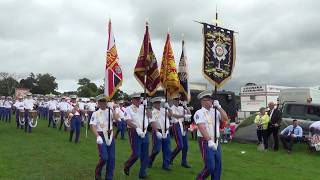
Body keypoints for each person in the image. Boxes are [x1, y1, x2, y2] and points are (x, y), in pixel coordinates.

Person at [194, 90, 228, 180]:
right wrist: (209, 140)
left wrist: (219, 107)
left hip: (216, 140)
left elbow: (225, 118)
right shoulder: (199, 113)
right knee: (210, 167)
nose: (210, 101)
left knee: (218, 166)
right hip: (205, 141)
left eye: (211, 99)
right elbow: (201, 127)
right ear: (202, 101)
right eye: (208, 99)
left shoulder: (215, 111)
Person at [90, 95, 119, 180]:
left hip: (110, 136)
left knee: (111, 158)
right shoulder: (95, 113)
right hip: (101, 136)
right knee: (104, 157)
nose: (103, 103)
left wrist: (112, 109)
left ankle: (109, 177)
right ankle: (98, 172)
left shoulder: (110, 111)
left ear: (107, 102)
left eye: (104, 102)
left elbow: (117, 119)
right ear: (98, 103)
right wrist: (97, 136)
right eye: (101, 102)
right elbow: (93, 125)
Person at [123, 93, 150, 179]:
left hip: (144, 131)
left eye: (139, 99)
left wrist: (147, 106)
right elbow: (128, 121)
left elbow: (150, 116)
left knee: (145, 154)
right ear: (132, 100)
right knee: (136, 153)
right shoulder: (128, 109)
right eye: (136, 99)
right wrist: (137, 128)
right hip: (134, 131)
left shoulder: (143, 107)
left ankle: (142, 173)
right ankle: (127, 165)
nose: (138, 100)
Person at [148, 97, 171, 170]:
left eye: (159, 103)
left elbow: (171, 115)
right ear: (153, 104)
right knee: (156, 149)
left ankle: (166, 165)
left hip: (166, 131)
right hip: (158, 131)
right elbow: (152, 122)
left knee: (167, 149)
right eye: (156, 103)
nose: (158, 104)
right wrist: (157, 132)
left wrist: (169, 107)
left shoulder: (164, 110)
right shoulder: (152, 111)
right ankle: (150, 161)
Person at [168, 94, 192, 168]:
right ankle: (170, 157)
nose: (177, 101)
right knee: (180, 145)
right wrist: (183, 116)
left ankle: (184, 162)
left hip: (183, 125)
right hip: (176, 125)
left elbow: (189, 114)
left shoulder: (181, 108)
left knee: (185, 146)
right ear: (173, 100)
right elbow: (173, 115)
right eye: (176, 100)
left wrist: (185, 106)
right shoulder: (171, 108)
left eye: (178, 100)